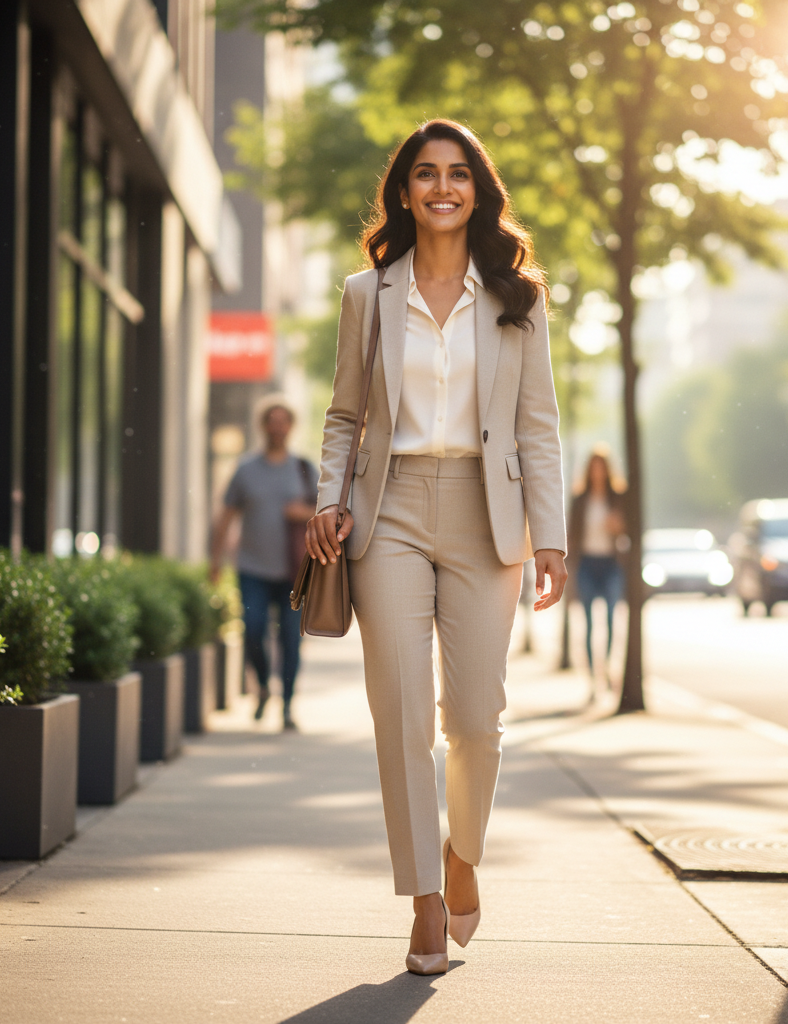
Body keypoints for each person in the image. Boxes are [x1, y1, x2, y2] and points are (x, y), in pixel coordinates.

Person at [305, 120, 566, 975]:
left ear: (478, 191)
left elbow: (540, 430)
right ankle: (423, 901)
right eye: (425, 173)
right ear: (405, 190)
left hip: (488, 513)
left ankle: (463, 858)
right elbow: (345, 417)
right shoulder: (366, 293)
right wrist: (326, 502)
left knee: (479, 720)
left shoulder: (517, 298)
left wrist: (551, 539)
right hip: (389, 514)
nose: (442, 187)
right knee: (403, 713)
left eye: (458, 174)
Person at [210, 396, 318, 731]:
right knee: (253, 631)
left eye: (283, 420)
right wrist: (215, 560)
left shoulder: (303, 468)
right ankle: (262, 690)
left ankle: (286, 706)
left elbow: (329, 514)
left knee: (290, 638)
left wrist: (303, 513)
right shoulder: (246, 470)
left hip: (293, 572)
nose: (278, 427)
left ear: (291, 426)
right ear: (263, 426)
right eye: (272, 420)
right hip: (252, 568)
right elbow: (226, 515)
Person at [567, 450, 627, 697]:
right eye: (594, 467)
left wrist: (617, 527)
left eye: (601, 467)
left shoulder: (617, 498)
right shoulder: (580, 499)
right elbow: (571, 533)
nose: (597, 472)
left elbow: (628, 530)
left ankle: (611, 668)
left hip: (611, 564)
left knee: (613, 618)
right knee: (589, 623)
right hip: (587, 564)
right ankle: (593, 678)